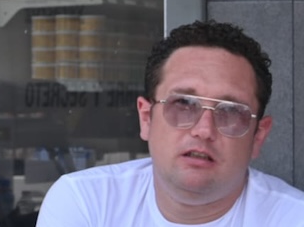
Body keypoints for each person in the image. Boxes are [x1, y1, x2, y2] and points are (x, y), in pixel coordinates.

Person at [36, 20, 304, 225]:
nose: (204, 130)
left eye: (230, 111)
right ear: (146, 118)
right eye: (184, 104)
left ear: (258, 136)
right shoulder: (85, 201)